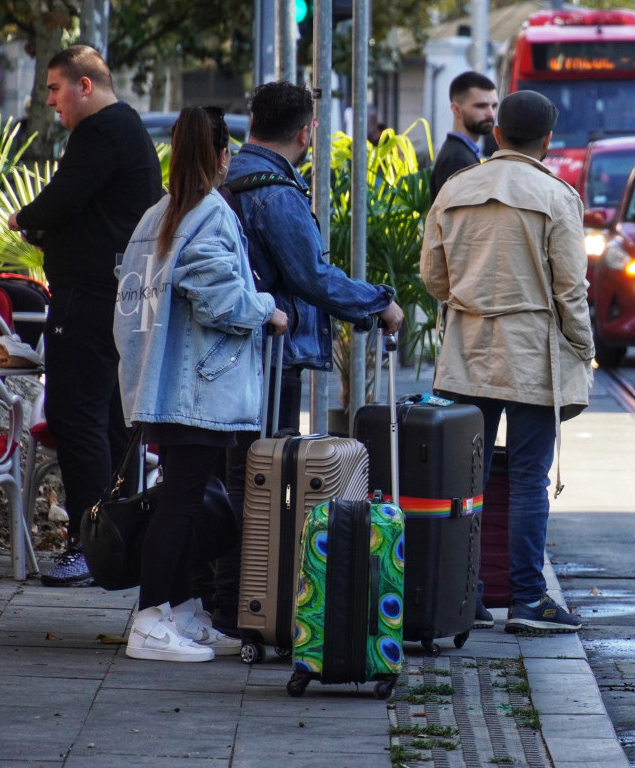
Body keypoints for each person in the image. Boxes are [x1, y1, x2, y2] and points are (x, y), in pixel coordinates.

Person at [212, 81, 402, 632]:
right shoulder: (275, 191)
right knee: (259, 480)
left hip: (224, 355)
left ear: (253, 123)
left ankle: (222, 598)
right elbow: (311, 276)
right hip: (270, 359)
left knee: (232, 476)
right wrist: (379, 303)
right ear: (306, 133)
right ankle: (243, 605)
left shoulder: (224, 177)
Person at [114, 107, 287, 662]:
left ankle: (181, 610)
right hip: (197, 387)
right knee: (182, 504)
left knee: (180, 498)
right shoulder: (209, 211)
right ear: (222, 157)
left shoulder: (157, 214)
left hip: (161, 381)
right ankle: (149, 620)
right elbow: (222, 301)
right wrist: (267, 309)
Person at [422, 90, 594, 634]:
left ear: (496, 135)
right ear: (548, 141)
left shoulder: (455, 188)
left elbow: (433, 276)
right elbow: (571, 289)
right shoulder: (557, 196)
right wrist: (584, 347)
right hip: (532, 355)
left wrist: (470, 301)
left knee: (463, 480)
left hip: (466, 352)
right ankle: (527, 598)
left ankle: (464, 597)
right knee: (527, 479)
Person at [7, 45, 162, 587]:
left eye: (55, 88)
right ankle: (116, 545)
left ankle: (89, 545)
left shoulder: (101, 131)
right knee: (112, 422)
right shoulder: (127, 128)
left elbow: (63, 198)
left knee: (76, 417)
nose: (51, 101)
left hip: (89, 297)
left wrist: (26, 219)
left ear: (85, 86)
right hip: (117, 297)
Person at [430, 71, 498, 201]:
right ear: (456, 110)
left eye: (494, 106)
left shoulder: (461, 153)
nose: (491, 113)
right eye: (481, 106)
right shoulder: (456, 159)